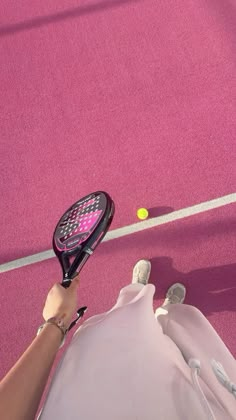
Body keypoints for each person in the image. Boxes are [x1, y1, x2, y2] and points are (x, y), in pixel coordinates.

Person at [0, 260, 235, 420]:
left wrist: (55, 322)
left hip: (85, 404)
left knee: (120, 332)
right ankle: (166, 314)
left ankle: (136, 295)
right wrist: (55, 321)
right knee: (184, 360)